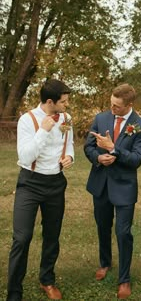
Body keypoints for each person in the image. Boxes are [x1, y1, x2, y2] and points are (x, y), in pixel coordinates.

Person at [6, 79, 74, 301]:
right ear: (49, 101)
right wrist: (43, 131)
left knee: (52, 236)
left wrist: (69, 157)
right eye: (63, 102)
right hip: (30, 183)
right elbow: (25, 157)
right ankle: (15, 292)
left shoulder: (66, 119)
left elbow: (69, 143)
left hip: (56, 183)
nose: (66, 105)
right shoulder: (27, 120)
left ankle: (47, 279)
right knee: (22, 238)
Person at [84, 83, 141, 299]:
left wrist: (114, 149)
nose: (112, 109)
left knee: (123, 233)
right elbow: (88, 147)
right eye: (111, 104)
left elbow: (137, 160)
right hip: (100, 184)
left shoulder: (140, 126)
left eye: (117, 107)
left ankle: (124, 279)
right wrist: (98, 157)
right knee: (102, 226)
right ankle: (105, 263)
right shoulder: (101, 118)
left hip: (124, 188)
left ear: (129, 105)